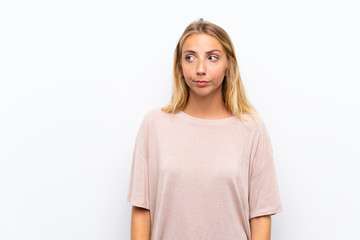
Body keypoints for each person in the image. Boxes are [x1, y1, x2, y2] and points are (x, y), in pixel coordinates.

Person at [127, 18, 283, 240]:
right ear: (179, 67)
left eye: (212, 58)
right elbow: (142, 210)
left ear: (228, 65)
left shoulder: (252, 130)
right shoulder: (154, 125)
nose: (200, 69)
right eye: (190, 58)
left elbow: (260, 216)